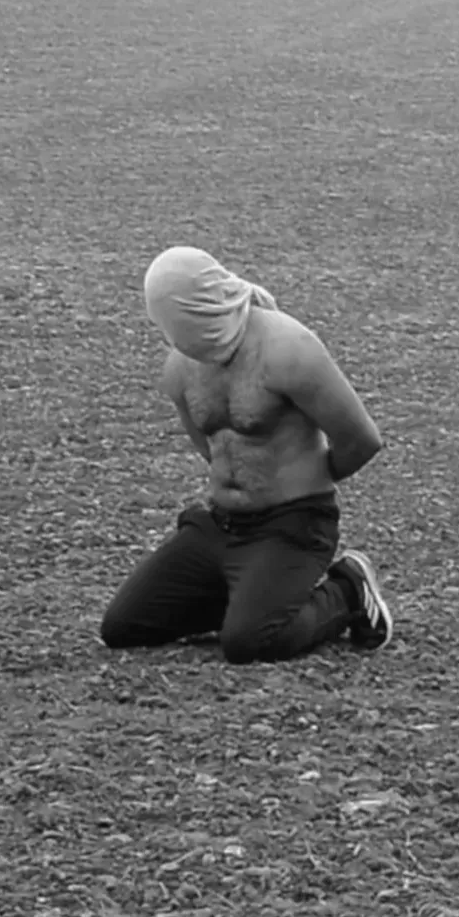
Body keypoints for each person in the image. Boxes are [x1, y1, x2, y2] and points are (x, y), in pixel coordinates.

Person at [98, 246, 394, 661]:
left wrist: (302, 483)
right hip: (221, 525)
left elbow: (362, 439)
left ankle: (348, 590)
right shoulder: (180, 367)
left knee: (251, 643)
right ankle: (252, 594)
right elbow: (208, 447)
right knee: (125, 627)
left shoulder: (288, 348)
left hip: (291, 525)